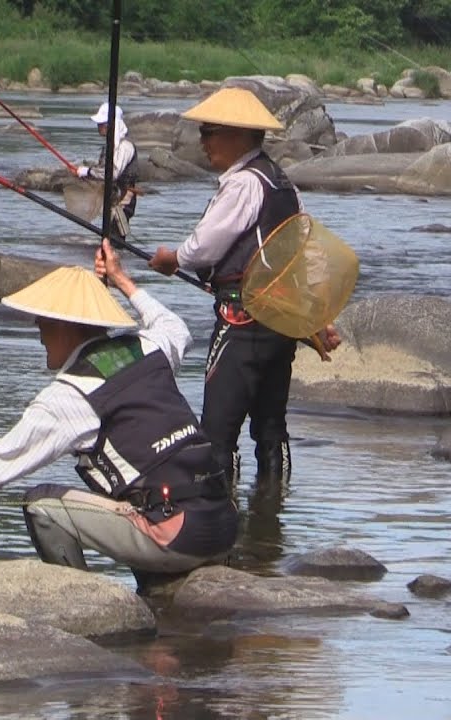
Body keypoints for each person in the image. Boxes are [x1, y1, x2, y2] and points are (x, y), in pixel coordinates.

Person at [0, 240, 237, 593]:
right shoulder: (148, 347)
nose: (37, 331)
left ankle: (82, 600)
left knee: (42, 505)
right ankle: (157, 589)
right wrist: (122, 279)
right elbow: (175, 327)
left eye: (42, 321)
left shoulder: (68, 397)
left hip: (180, 536)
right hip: (223, 520)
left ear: (64, 325)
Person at [146, 87, 341, 489]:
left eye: (209, 132)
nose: (202, 142)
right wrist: (319, 317)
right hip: (281, 325)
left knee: (218, 431)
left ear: (237, 135)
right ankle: (272, 516)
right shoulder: (283, 184)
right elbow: (308, 252)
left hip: (242, 322)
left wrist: (173, 259)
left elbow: (204, 246)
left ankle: (220, 517)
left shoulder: (243, 185)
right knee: (271, 428)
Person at [74, 101, 139, 237]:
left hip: (123, 200)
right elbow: (103, 170)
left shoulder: (125, 147)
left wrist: (87, 171)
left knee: (116, 237)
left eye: (102, 124)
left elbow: (113, 173)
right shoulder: (109, 146)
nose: (99, 126)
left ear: (111, 125)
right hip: (112, 198)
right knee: (108, 236)